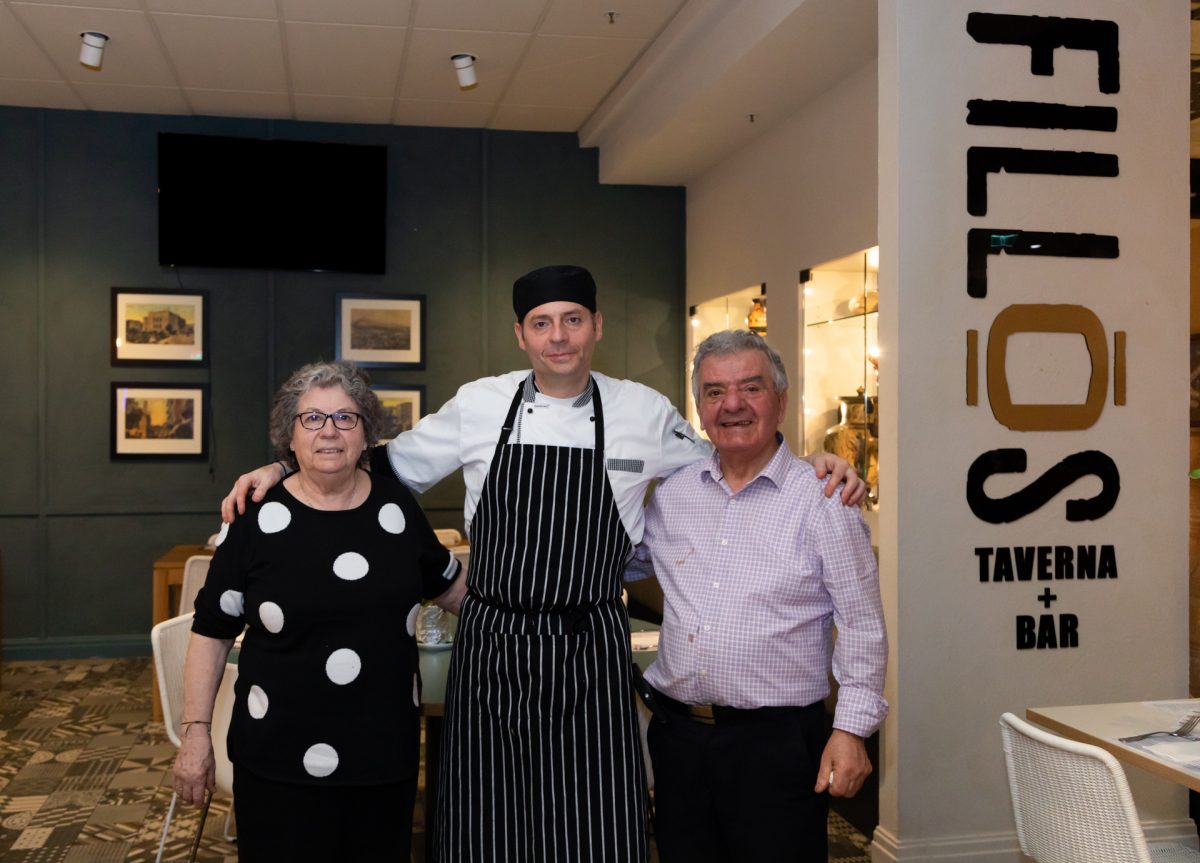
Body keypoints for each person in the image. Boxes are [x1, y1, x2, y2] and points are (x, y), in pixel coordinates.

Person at [221, 265, 865, 861]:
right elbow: (380, 467)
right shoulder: (481, 403)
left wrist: (812, 463)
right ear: (520, 335)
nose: (559, 337)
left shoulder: (642, 411)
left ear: (597, 327)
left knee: (593, 830)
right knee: (485, 829)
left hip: (590, 648)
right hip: (493, 642)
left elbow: (730, 448)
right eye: (541, 323)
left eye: (573, 319)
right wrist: (282, 467)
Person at [173, 361, 460, 862]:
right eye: (312, 418)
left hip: (381, 757)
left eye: (346, 418)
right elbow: (212, 633)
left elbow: (452, 588)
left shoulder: (397, 508)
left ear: (366, 433)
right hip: (276, 759)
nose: (329, 430)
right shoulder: (256, 517)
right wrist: (195, 733)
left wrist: (531, 616)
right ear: (290, 435)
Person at [625, 329, 888, 862]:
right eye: (715, 392)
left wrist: (852, 731)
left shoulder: (825, 500)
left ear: (782, 401)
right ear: (698, 407)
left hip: (778, 748)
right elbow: (621, 564)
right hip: (677, 741)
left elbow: (862, 624)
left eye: (751, 387)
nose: (733, 405)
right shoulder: (672, 495)